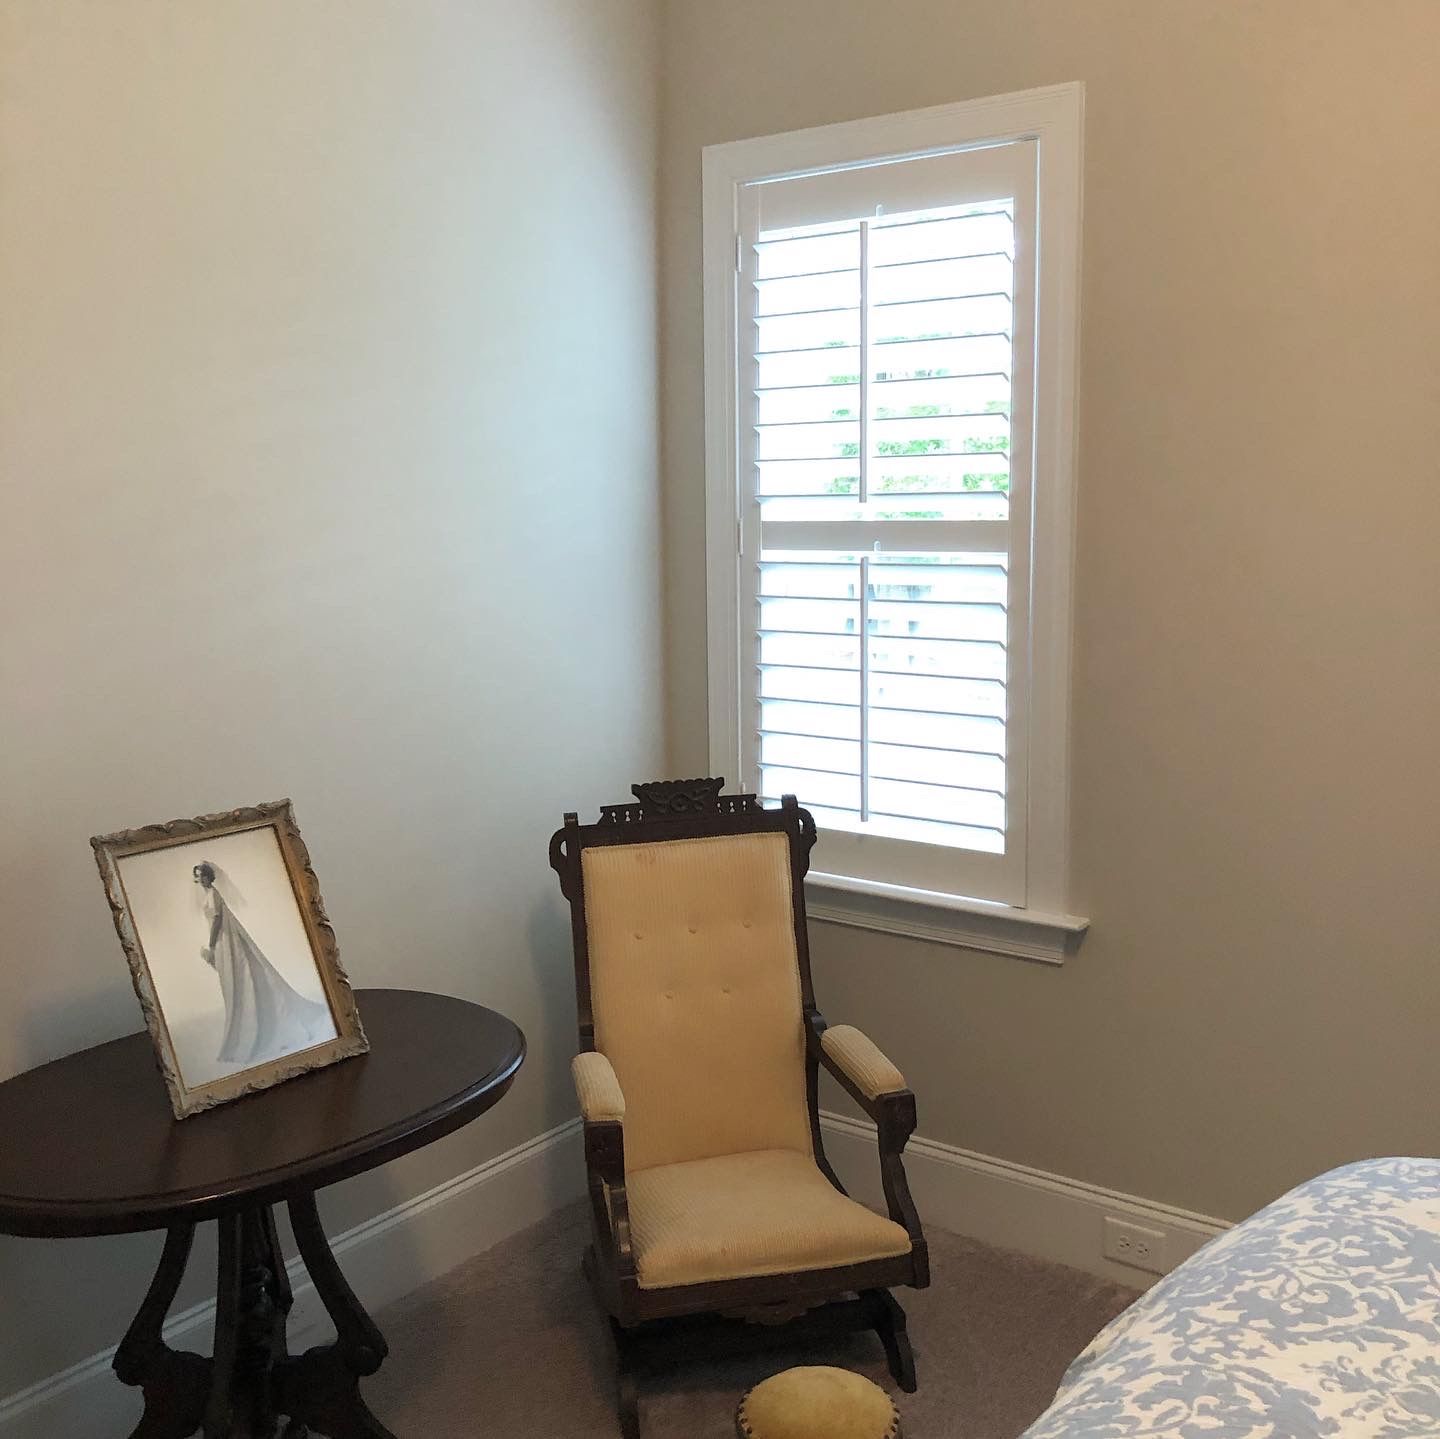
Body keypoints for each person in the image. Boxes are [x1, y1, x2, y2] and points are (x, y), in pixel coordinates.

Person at [194, 860, 334, 1066]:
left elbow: (216, 921)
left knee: (238, 979)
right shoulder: (209, 894)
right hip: (224, 942)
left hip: (224, 941)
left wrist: (211, 945)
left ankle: (252, 1022)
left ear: (208, 876)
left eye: (202, 875)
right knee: (233, 980)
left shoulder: (213, 895)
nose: (199, 879)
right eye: (197, 876)